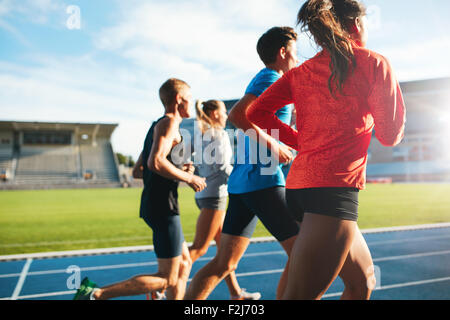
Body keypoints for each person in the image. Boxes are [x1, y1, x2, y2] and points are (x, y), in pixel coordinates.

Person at [246, 0, 406, 300]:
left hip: (300, 190)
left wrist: (298, 142)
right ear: (357, 25)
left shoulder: (300, 72)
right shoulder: (374, 63)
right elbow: (390, 136)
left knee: (362, 285)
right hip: (331, 196)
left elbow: (257, 113)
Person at [185, 27, 300, 300]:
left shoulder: (270, 80)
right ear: (282, 52)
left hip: (243, 185)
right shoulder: (270, 77)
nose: (298, 58)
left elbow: (262, 122)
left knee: (225, 263)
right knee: (303, 255)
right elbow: (238, 115)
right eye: (295, 52)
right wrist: (274, 145)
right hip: (263, 181)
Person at [73, 78, 207, 300]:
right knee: (168, 278)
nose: (191, 104)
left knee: (184, 263)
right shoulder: (170, 123)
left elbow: (139, 170)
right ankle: (96, 294)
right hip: (164, 207)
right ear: (178, 99)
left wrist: (176, 166)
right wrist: (189, 177)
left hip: (155, 204)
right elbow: (155, 163)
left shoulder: (155, 125)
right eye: (189, 99)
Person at [189, 99, 261, 300]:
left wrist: (192, 171)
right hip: (215, 197)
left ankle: (236, 293)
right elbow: (223, 169)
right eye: (223, 110)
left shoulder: (200, 134)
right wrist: (246, 172)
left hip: (203, 195)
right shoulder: (218, 135)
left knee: (224, 252)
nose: (227, 113)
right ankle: (164, 284)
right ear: (213, 113)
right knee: (199, 249)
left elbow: (185, 156)